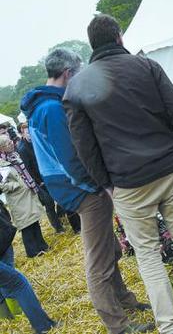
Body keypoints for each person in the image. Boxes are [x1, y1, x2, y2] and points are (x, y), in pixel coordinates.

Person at [64, 15, 173, 334]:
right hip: (168, 167)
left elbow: (84, 146)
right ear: (118, 37)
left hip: (127, 182)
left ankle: (169, 326)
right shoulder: (146, 66)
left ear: (93, 45)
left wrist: (106, 184)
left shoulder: (78, 86)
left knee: (148, 255)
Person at [21, 48, 153, 334]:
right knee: (99, 260)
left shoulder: (42, 105)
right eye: (77, 73)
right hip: (81, 189)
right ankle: (117, 324)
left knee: (110, 247)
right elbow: (71, 158)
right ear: (68, 73)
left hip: (69, 187)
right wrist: (98, 186)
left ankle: (124, 300)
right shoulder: (52, 108)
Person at [0, 198, 57, 333]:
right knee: (18, 284)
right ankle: (43, 326)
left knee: (7, 282)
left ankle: (9, 320)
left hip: (3, 241)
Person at [16, 122, 80, 234]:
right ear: (22, 133)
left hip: (50, 175)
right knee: (49, 204)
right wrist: (38, 182)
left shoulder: (36, 142)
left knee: (62, 199)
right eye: (27, 131)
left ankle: (67, 220)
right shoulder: (22, 149)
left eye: (30, 131)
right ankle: (58, 228)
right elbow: (28, 169)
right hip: (40, 181)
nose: (30, 133)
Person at [0, 135, 48, 258]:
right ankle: (32, 252)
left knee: (34, 220)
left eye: (10, 141)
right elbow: (2, 185)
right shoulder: (1, 164)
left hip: (28, 192)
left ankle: (42, 246)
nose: (11, 143)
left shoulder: (15, 155)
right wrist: (16, 185)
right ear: (1, 148)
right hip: (18, 197)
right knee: (26, 225)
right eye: (7, 143)